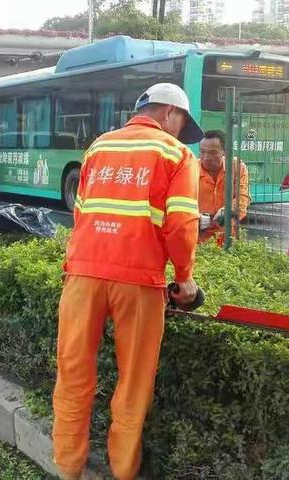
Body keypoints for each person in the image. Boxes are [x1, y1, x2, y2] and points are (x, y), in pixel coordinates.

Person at [52, 83, 203, 480]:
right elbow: (182, 225)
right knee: (134, 380)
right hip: (138, 280)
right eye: (182, 123)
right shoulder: (176, 153)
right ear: (170, 112)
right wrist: (185, 279)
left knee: (73, 372)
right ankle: (122, 470)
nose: (179, 131)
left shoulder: (99, 147)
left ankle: (68, 467)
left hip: (82, 275)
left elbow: (82, 212)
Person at [198, 130, 250, 245]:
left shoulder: (237, 167)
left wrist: (227, 210)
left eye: (212, 153)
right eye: (202, 152)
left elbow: (243, 198)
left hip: (227, 239)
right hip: (198, 238)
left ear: (225, 152)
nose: (206, 157)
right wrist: (194, 217)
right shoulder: (191, 169)